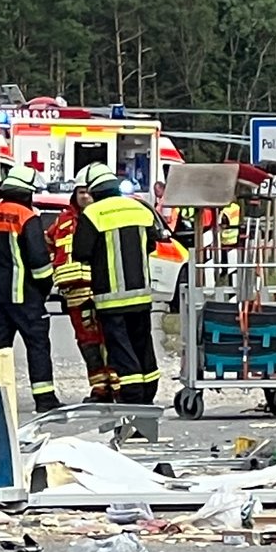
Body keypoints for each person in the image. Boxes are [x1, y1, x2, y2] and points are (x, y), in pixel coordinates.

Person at [68, 172, 161, 404]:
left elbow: (81, 253)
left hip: (110, 299)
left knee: (121, 349)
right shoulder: (141, 209)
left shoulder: (93, 213)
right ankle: (148, 395)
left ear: (95, 192)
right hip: (140, 295)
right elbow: (151, 244)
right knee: (143, 345)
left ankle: (132, 400)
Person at [0, 163, 61, 412]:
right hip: (26, 295)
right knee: (37, 344)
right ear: (26, 193)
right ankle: (45, 399)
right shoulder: (27, 217)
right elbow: (38, 259)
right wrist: (45, 287)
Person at [50, 162, 116, 402]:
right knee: (87, 343)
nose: (85, 196)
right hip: (73, 293)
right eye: (81, 192)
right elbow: (49, 245)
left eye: (89, 191)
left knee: (108, 339)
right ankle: (99, 388)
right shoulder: (62, 221)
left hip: (98, 289)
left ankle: (116, 386)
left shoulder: (102, 216)